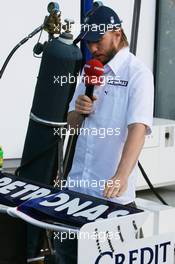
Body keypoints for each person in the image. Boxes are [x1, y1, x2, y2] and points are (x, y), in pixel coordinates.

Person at [55, 4, 154, 264]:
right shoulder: (89, 70)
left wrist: (120, 176)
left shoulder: (138, 75)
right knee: (66, 257)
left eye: (97, 41)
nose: (92, 48)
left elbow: (138, 128)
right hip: (75, 192)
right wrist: (78, 110)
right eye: (88, 43)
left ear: (117, 34)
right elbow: (71, 125)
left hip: (112, 200)